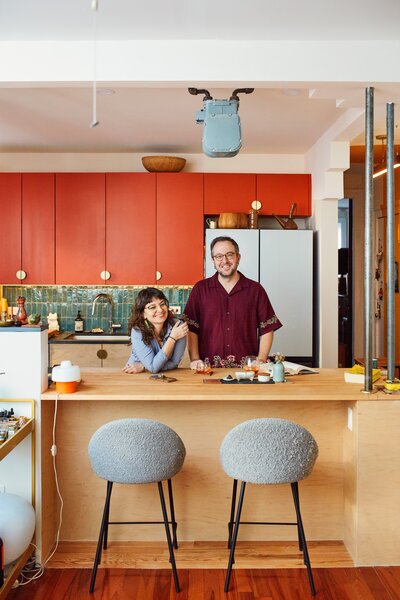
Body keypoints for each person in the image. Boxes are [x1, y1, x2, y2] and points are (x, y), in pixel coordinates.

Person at [183, 236, 282, 370]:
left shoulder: (255, 290)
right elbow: (192, 328)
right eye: (218, 256)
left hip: (247, 370)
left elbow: (267, 328)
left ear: (238, 258)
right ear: (213, 260)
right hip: (208, 369)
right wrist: (195, 359)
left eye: (229, 255)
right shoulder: (200, 289)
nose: (225, 260)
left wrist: (261, 359)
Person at [123, 288, 188, 374]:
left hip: (165, 376)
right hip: (136, 376)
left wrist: (144, 366)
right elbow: (153, 368)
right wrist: (172, 338)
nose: (160, 310)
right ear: (143, 314)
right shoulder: (138, 330)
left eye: (162, 304)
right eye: (152, 307)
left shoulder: (178, 326)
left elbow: (174, 363)